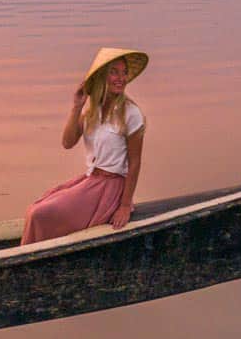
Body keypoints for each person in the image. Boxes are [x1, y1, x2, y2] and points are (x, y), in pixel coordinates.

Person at [20, 48, 148, 245]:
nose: (121, 78)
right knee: (35, 208)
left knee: (40, 214)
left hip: (111, 187)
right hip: (91, 181)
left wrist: (124, 205)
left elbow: (135, 162)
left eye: (124, 73)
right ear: (101, 76)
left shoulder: (131, 113)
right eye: (114, 72)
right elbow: (67, 142)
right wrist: (77, 106)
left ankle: (29, 259)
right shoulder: (92, 112)